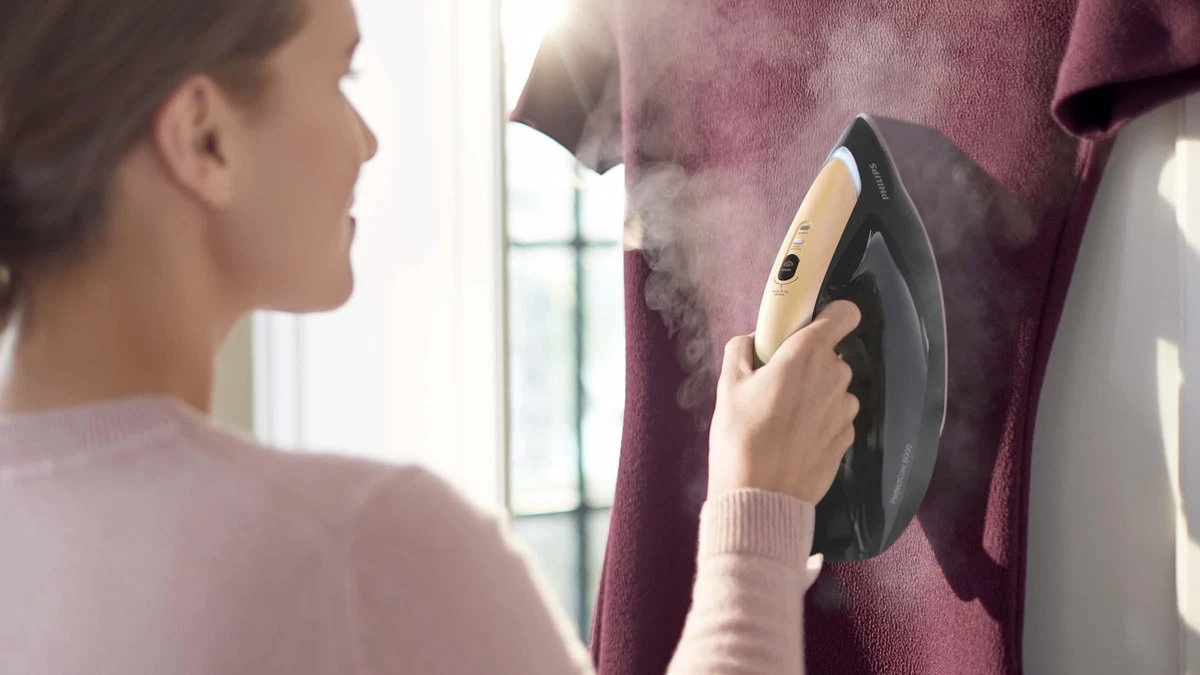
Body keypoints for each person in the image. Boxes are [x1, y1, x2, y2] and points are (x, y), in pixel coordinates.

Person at [0, 0, 860, 672]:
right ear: (204, 137)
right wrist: (759, 512)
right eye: (340, 77)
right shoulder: (359, 550)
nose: (369, 141)